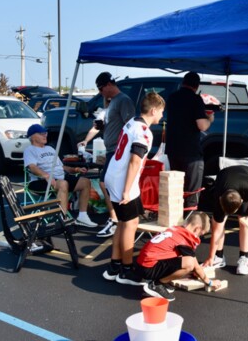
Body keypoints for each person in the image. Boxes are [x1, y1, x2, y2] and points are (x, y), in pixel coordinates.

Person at [102, 92, 165, 285]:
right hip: (123, 180)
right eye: (161, 112)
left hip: (113, 175)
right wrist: (127, 191)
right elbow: (134, 161)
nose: (162, 116)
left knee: (122, 221)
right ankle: (126, 270)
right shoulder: (144, 131)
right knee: (130, 224)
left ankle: (114, 265)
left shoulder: (131, 122)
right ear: (153, 110)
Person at [84, 72, 135, 238]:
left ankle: (115, 219)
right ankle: (116, 218)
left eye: (100, 89)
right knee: (107, 183)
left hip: (118, 151)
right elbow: (113, 123)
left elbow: (130, 126)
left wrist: (124, 150)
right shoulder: (112, 102)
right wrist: (101, 125)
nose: (100, 93)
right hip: (111, 150)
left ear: (108, 85)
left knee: (107, 183)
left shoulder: (124, 100)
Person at [24, 124, 97, 228]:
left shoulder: (50, 148)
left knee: (85, 182)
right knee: (63, 184)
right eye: (42, 134)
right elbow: (32, 167)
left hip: (60, 178)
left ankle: (82, 216)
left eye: (46, 133)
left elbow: (61, 167)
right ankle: (62, 220)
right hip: (40, 181)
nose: (45, 135)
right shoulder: (29, 150)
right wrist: (46, 175)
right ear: (33, 136)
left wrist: (75, 169)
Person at [136, 212, 222, 301]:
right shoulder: (185, 239)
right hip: (148, 269)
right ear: (197, 229)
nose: (199, 237)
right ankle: (157, 284)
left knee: (183, 260)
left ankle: (161, 280)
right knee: (189, 263)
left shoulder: (176, 230)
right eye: (201, 234)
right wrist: (210, 282)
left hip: (142, 264)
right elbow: (195, 266)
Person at [202, 165, 248, 275]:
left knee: (244, 221)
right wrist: (210, 257)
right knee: (218, 224)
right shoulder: (218, 196)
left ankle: (244, 259)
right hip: (224, 177)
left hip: (244, 175)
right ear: (221, 200)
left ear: (241, 201)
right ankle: (218, 257)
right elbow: (216, 232)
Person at [165, 71, 214, 208]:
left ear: (183, 82)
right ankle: (189, 221)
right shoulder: (195, 99)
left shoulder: (172, 97)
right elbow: (202, 125)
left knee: (177, 188)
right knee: (191, 191)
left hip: (173, 149)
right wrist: (209, 118)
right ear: (197, 86)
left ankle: (175, 220)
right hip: (191, 152)